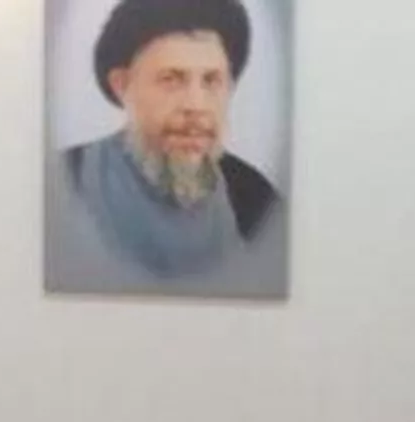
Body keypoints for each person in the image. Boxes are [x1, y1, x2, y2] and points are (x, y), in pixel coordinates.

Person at [47, 0, 287, 296]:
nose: (196, 105)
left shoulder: (256, 199)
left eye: (212, 81)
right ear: (122, 85)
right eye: (171, 80)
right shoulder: (65, 184)